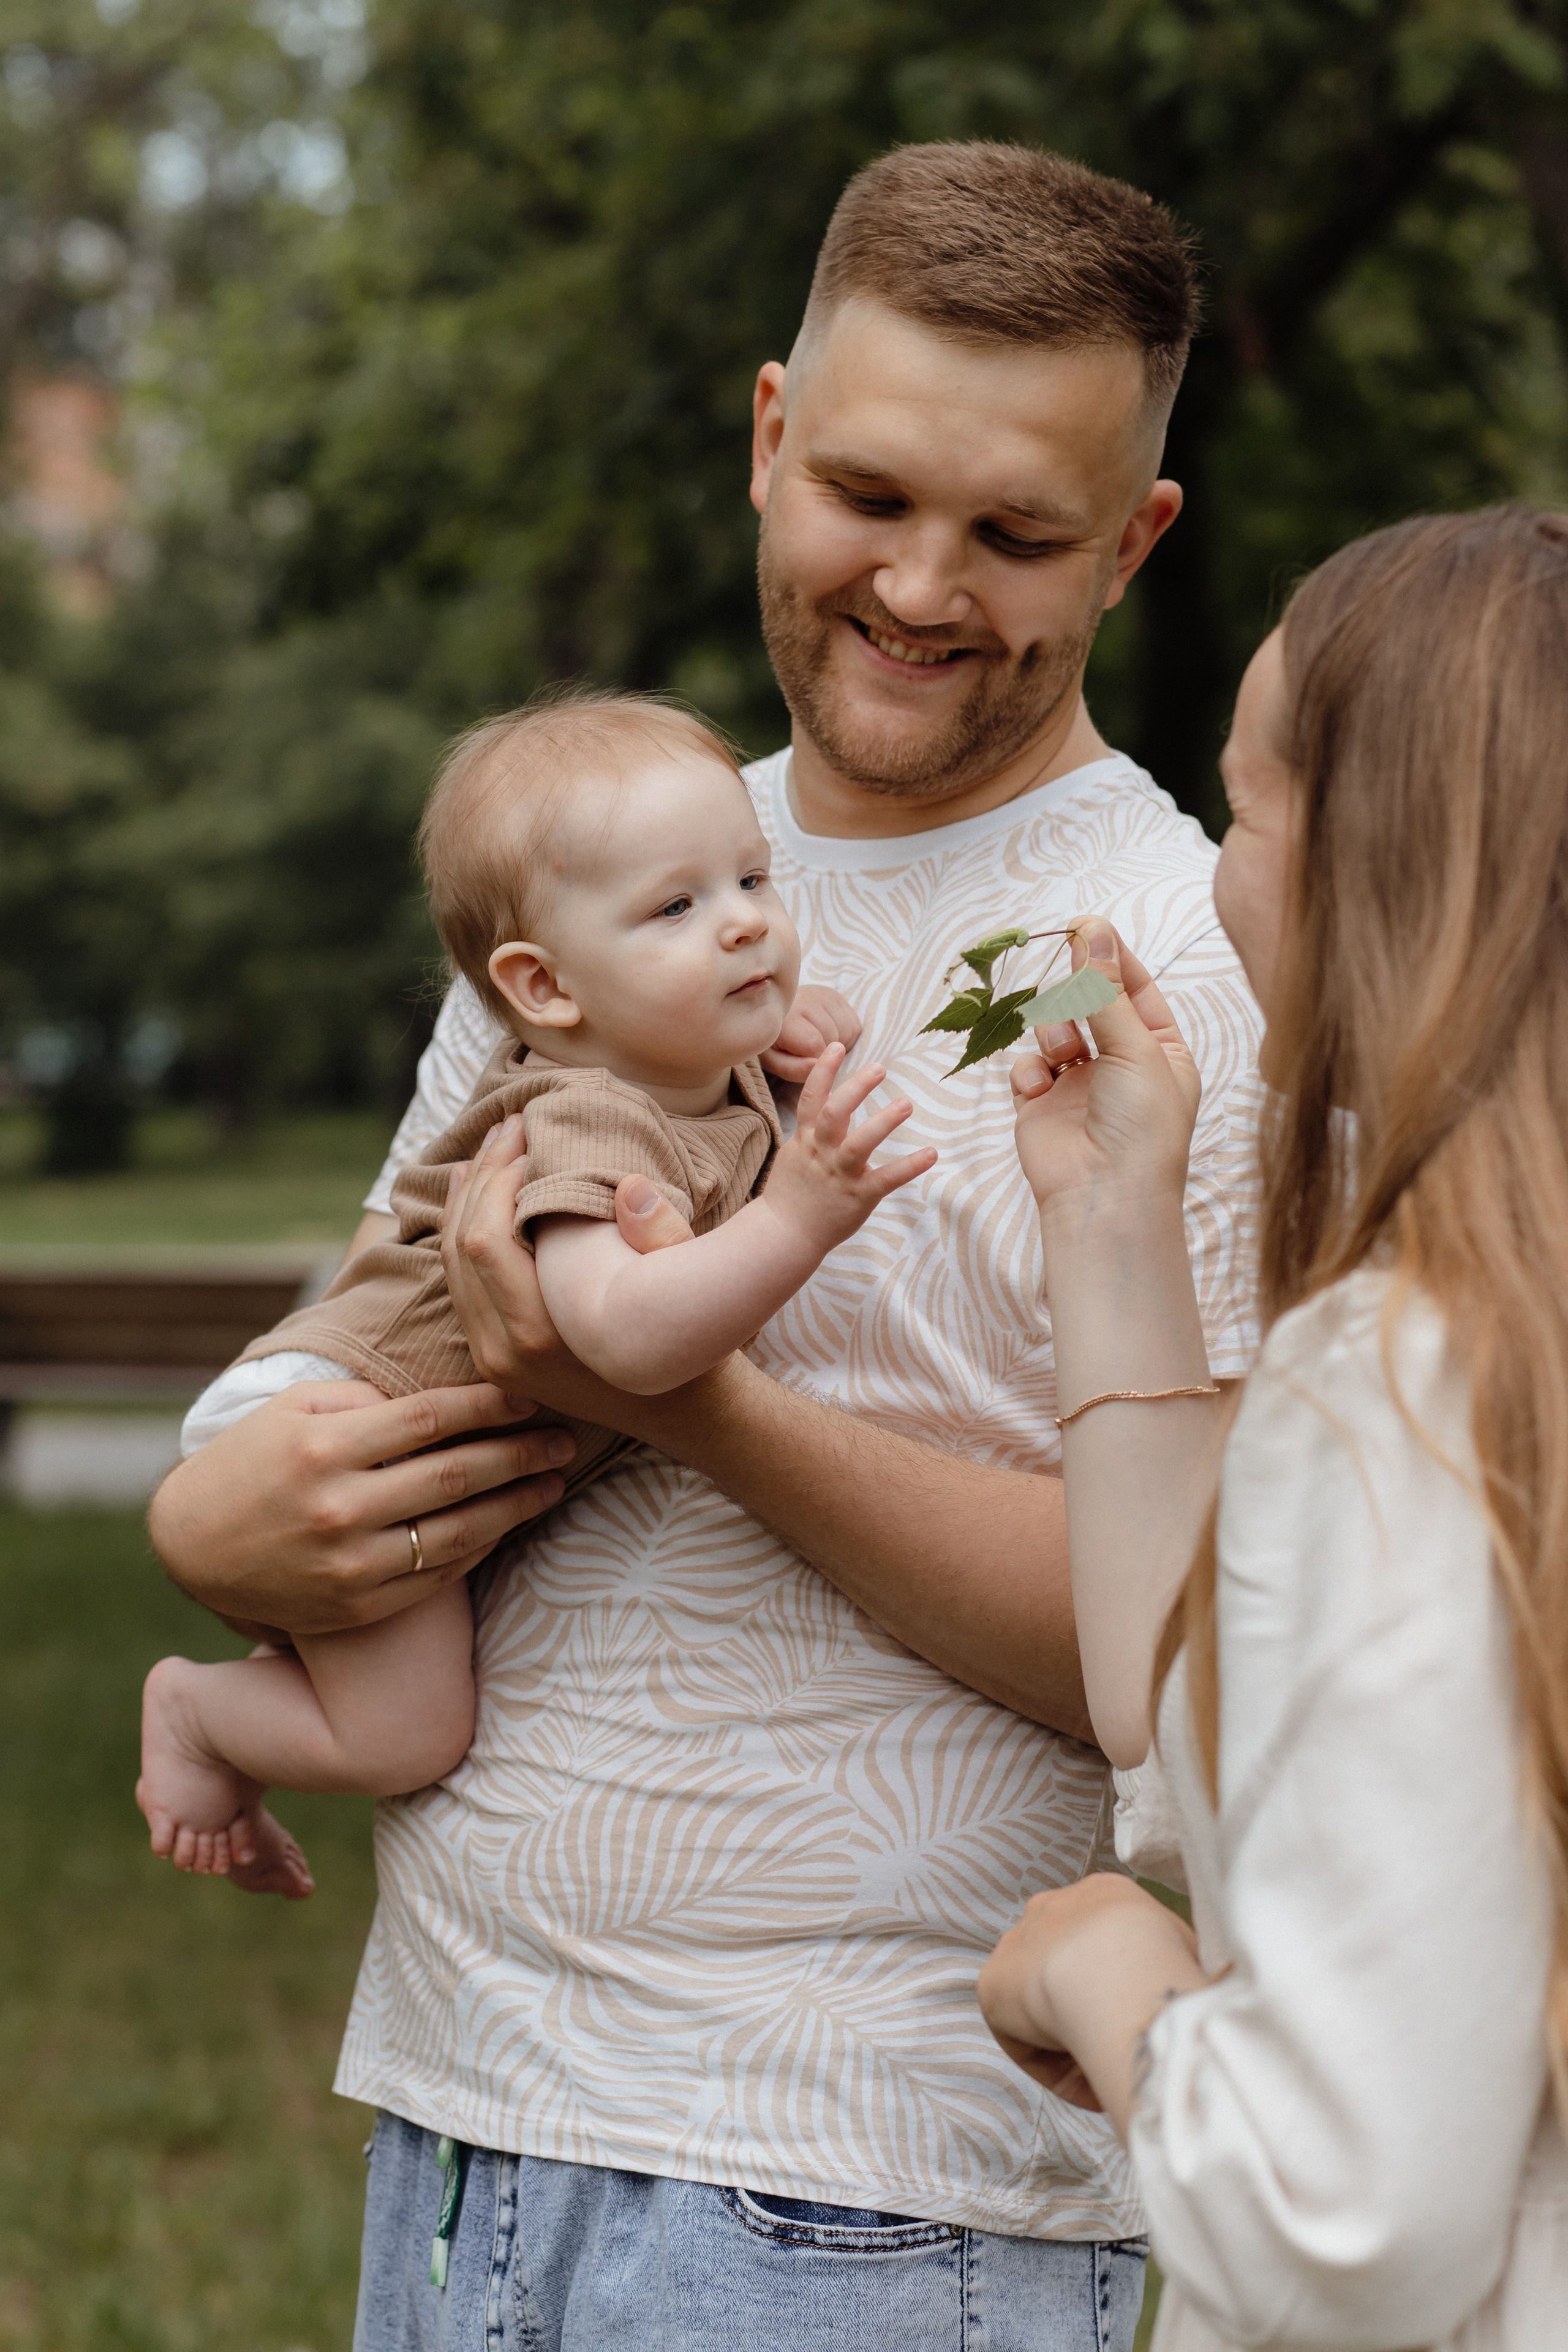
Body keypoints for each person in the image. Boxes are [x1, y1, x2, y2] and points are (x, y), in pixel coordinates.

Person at [150, 143, 1262, 2351]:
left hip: (871, 2190)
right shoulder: (613, 858)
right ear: (769, 439)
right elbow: (383, 1294)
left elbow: (1193, 1655)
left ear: (1134, 544)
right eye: (869, 492)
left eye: (1017, 534)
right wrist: (222, 1503)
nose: (923, 587)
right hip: (462, 2122)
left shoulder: (1171, 962)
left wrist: (688, 1398)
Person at [978, 507, 1568, 2347]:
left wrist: (1111, 1969)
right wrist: (1114, 1223)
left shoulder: (1411, 1377)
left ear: (1380, 867)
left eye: (1244, 815)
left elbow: (1345, 2210)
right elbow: (1204, 1707)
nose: (1226, 882)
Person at [137, 692, 929, 1894]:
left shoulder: (679, 1062)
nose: (743, 930)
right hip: (344, 1421)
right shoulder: (587, 1118)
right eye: (676, 906)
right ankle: (196, 1716)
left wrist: (772, 1025)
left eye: (754, 883)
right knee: (406, 1739)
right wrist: (800, 1215)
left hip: (400, 1427)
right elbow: (624, 1333)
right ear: (547, 990)